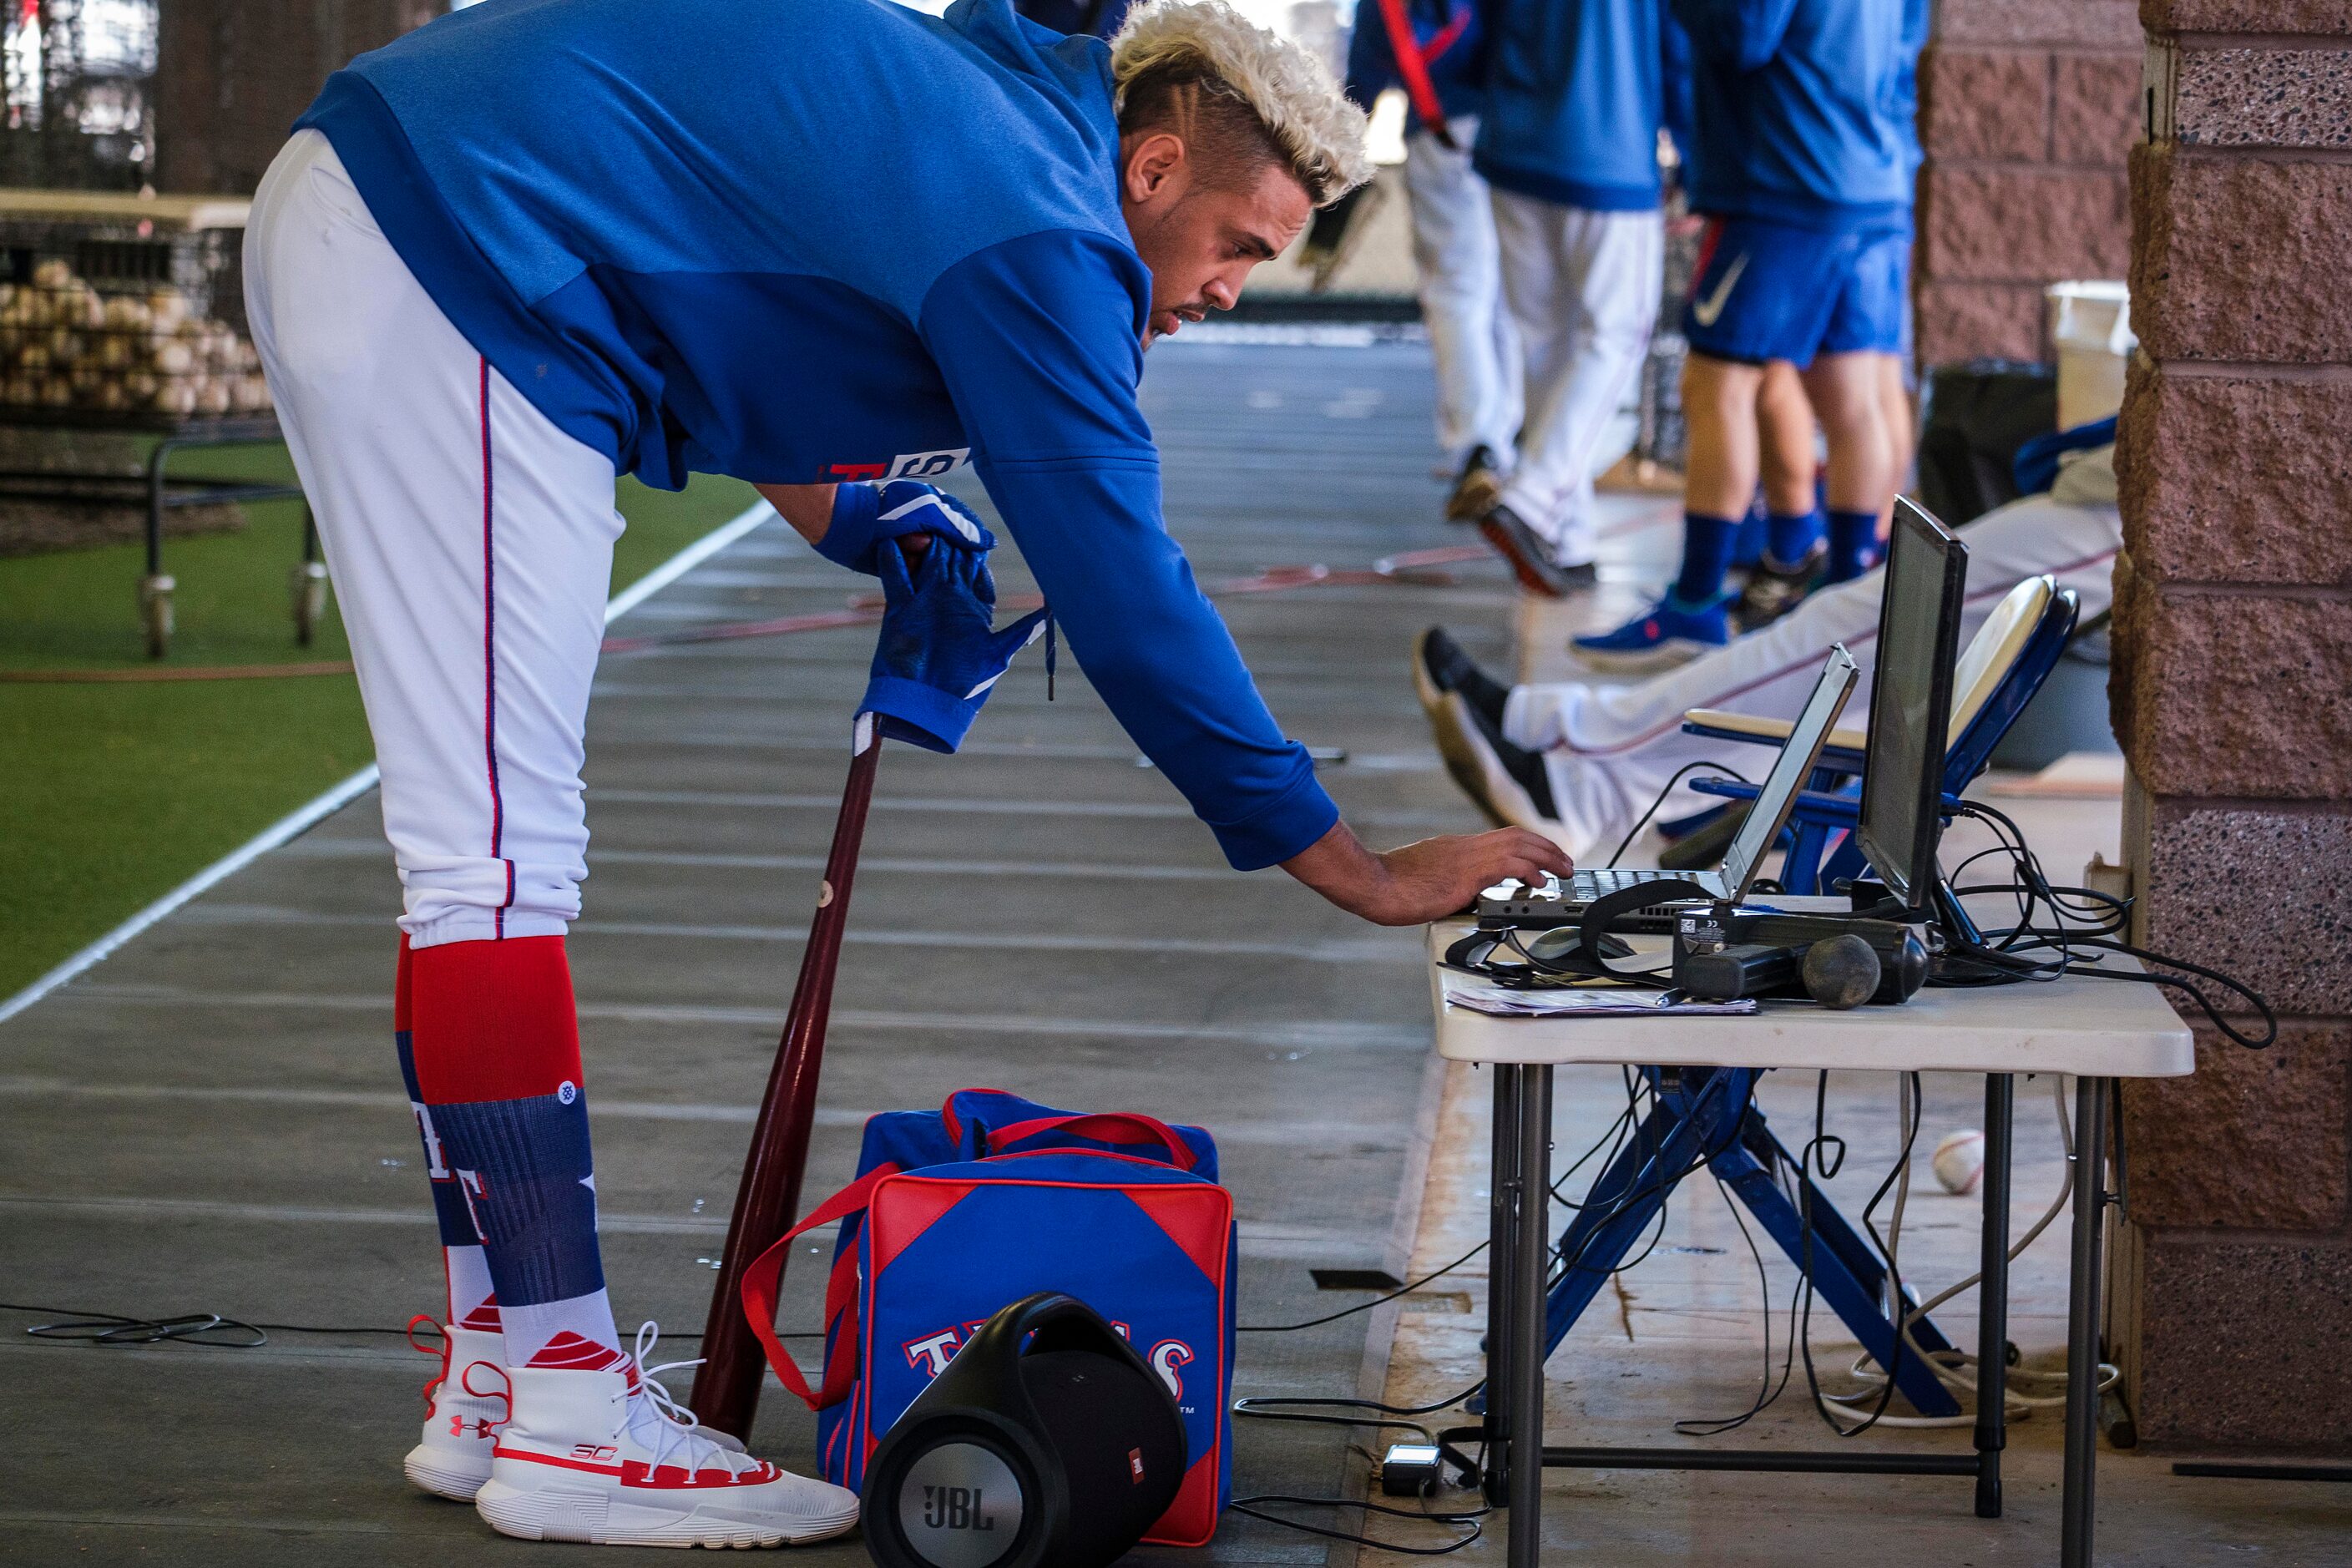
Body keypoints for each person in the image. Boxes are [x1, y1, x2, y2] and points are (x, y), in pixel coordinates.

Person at [250, 0, 1571, 1546]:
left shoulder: (1014, 121)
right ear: (1149, 169)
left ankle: (499, 1371)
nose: (1223, 291)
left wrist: (861, 512)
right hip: (454, 253)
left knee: (474, 858)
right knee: (490, 862)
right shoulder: (1048, 236)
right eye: (1237, 245)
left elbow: (722, 258)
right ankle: (560, 1404)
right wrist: (1356, 866)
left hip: (406, 211)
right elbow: (1126, 594)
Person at [1414, 439, 2122, 857]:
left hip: (2125, 506)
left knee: (1851, 645)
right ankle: (1561, 737)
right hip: (2114, 486)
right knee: (1852, 640)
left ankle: (1583, 782)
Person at [1575, 0, 1916, 670]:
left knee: (1715, 383)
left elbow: (1741, 34)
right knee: (1851, 392)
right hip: (1867, 173)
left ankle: (1696, 603)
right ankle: (1845, 605)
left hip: (1782, 180)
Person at [1465, 0, 1667, 596]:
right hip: (1611, 146)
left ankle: (1567, 537)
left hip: (1513, 140)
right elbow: (1677, 45)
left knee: (1543, 343)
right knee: (1616, 336)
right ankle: (1531, 500)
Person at [1343, 0, 1521, 522]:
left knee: (1455, 294)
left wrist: (1338, 161)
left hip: (1439, 132)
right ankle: (1512, 443)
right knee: (1512, 295)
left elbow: (1366, 74)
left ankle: (1476, 445)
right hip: (1515, 132)